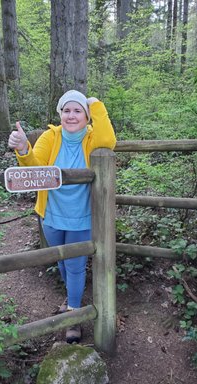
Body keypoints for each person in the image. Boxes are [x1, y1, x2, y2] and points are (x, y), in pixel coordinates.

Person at [8, 90, 116, 343]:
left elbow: (108, 142)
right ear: (60, 114)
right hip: (52, 216)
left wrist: (96, 105)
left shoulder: (91, 138)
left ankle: (74, 316)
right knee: (60, 261)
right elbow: (35, 169)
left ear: (87, 116)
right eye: (66, 110)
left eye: (78, 110)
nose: (71, 115)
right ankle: (72, 298)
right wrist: (24, 149)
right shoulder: (51, 136)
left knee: (75, 267)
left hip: (83, 216)